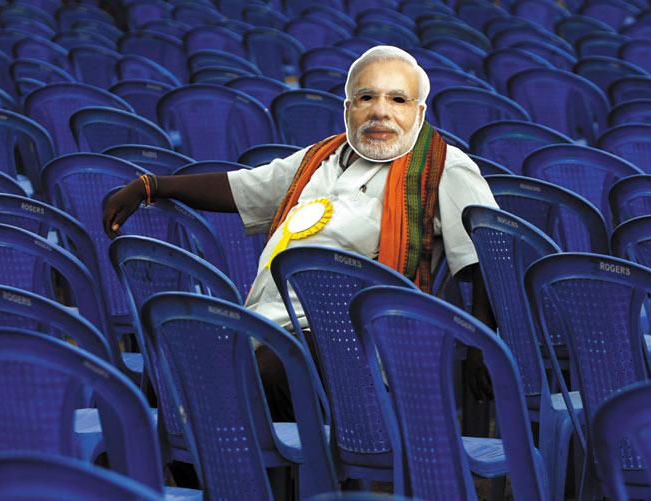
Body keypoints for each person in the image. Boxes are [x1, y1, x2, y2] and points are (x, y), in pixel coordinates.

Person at [103, 45, 498, 423]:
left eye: (398, 100)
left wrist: (484, 344)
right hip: (267, 319)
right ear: (348, 108)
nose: (380, 111)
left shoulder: (444, 167)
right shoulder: (320, 157)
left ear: (419, 110)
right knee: (167, 365)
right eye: (366, 98)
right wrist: (152, 186)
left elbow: (484, 256)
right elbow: (242, 188)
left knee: (260, 374)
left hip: (352, 339)